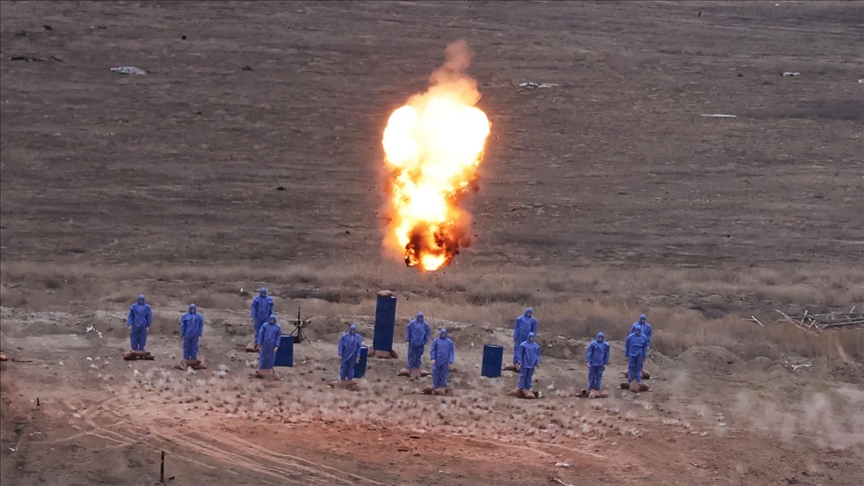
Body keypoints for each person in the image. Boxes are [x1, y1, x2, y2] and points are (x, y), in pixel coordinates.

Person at [405, 311, 431, 379]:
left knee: (418, 356)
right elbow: (408, 331)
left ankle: (417, 368)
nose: (420, 318)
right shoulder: (412, 323)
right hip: (412, 342)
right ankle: (410, 367)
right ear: (416, 317)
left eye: (421, 317)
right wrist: (408, 340)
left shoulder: (425, 325)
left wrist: (425, 342)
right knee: (411, 355)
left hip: (421, 343)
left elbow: (427, 334)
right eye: (419, 317)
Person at [430, 328, 455, 393]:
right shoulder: (436, 341)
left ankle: (442, 386)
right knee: (436, 373)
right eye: (442, 334)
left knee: (444, 374)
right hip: (437, 360)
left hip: (445, 360)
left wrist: (451, 359)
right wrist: (433, 358)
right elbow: (433, 350)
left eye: (444, 334)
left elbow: (451, 351)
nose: (443, 335)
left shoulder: (449, 342)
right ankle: (436, 386)